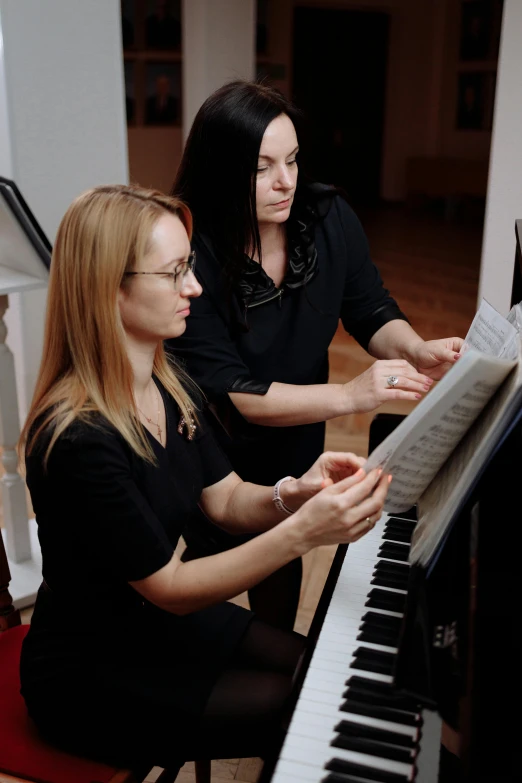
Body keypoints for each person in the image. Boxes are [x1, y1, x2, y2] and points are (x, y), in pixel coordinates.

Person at [18, 184, 390, 775]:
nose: (193, 287)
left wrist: (293, 495)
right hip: (91, 672)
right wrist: (304, 534)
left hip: (156, 626)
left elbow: (225, 500)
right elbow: (169, 585)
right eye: (173, 273)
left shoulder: (168, 384)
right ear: (109, 289)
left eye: (188, 266)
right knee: (311, 707)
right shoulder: (77, 438)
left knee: (323, 669)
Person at [169, 80, 464, 631]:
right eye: (261, 167)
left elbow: (371, 308)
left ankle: (276, 669)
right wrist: (352, 395)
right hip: (215, 443)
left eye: (293, 159)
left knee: (282, 567)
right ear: (220, 168)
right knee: (208, 580)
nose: (286, 182)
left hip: (298, 433)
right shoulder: (191, 253)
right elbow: (239, 395)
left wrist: (416, 348)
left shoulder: (326, 217)